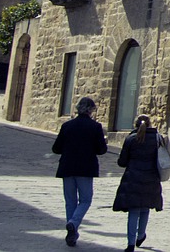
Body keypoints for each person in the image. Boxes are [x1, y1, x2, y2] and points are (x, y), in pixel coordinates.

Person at [52, 96, 108, 247]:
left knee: (70, 201)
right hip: (85, 168)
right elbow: (101, 150)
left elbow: (56, 148)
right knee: (85, 199)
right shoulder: (95, 127)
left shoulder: (67, 126)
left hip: (67, 167)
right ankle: (73, 223)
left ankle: (72, 232)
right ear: (91, 110)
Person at [112, 114, 164, 252]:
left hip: (133, 177)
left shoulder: (131, 139)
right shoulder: (157, 139)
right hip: (151, 178)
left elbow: (122, 162)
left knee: (134, 211)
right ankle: (141, 235)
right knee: (145, 209)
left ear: (135, 125)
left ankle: (130, 243)